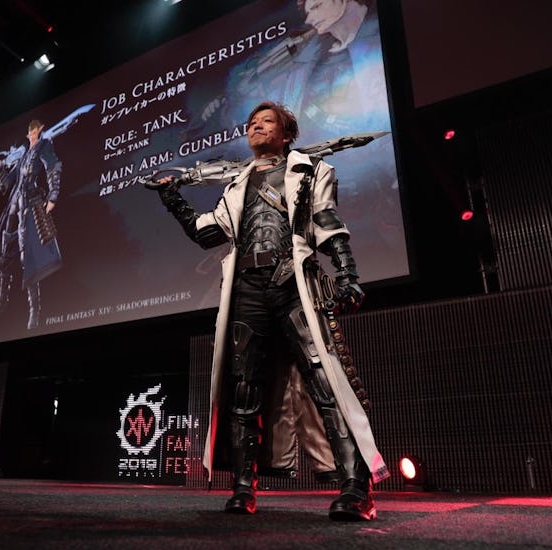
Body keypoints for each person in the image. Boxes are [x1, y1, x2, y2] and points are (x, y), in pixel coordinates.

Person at [149, 101, 388, 520]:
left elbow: (327, 221)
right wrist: (172, 196)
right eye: (252, 123)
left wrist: (348, 272)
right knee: (244, 388)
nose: (256, 127)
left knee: (324, 380)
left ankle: (355, 487)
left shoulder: (310, 170)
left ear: (286, 132)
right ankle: (243, 488)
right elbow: (208, 234)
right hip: (247, 289)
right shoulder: (237, 185)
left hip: (292, 282)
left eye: (267, 121)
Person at [0, 119, 63, 330]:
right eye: (30, 133)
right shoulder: (25, 154)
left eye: (36, 131)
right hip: (13, 208)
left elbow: (53, 166)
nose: (33, 135)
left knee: (29, 257)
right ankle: (2, 300)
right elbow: (8, 184)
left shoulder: (44, 147)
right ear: (28, 135)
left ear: (40, 131)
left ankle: (34, 311)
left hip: (30, 206)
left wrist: (53, 195)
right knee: (4, 254)